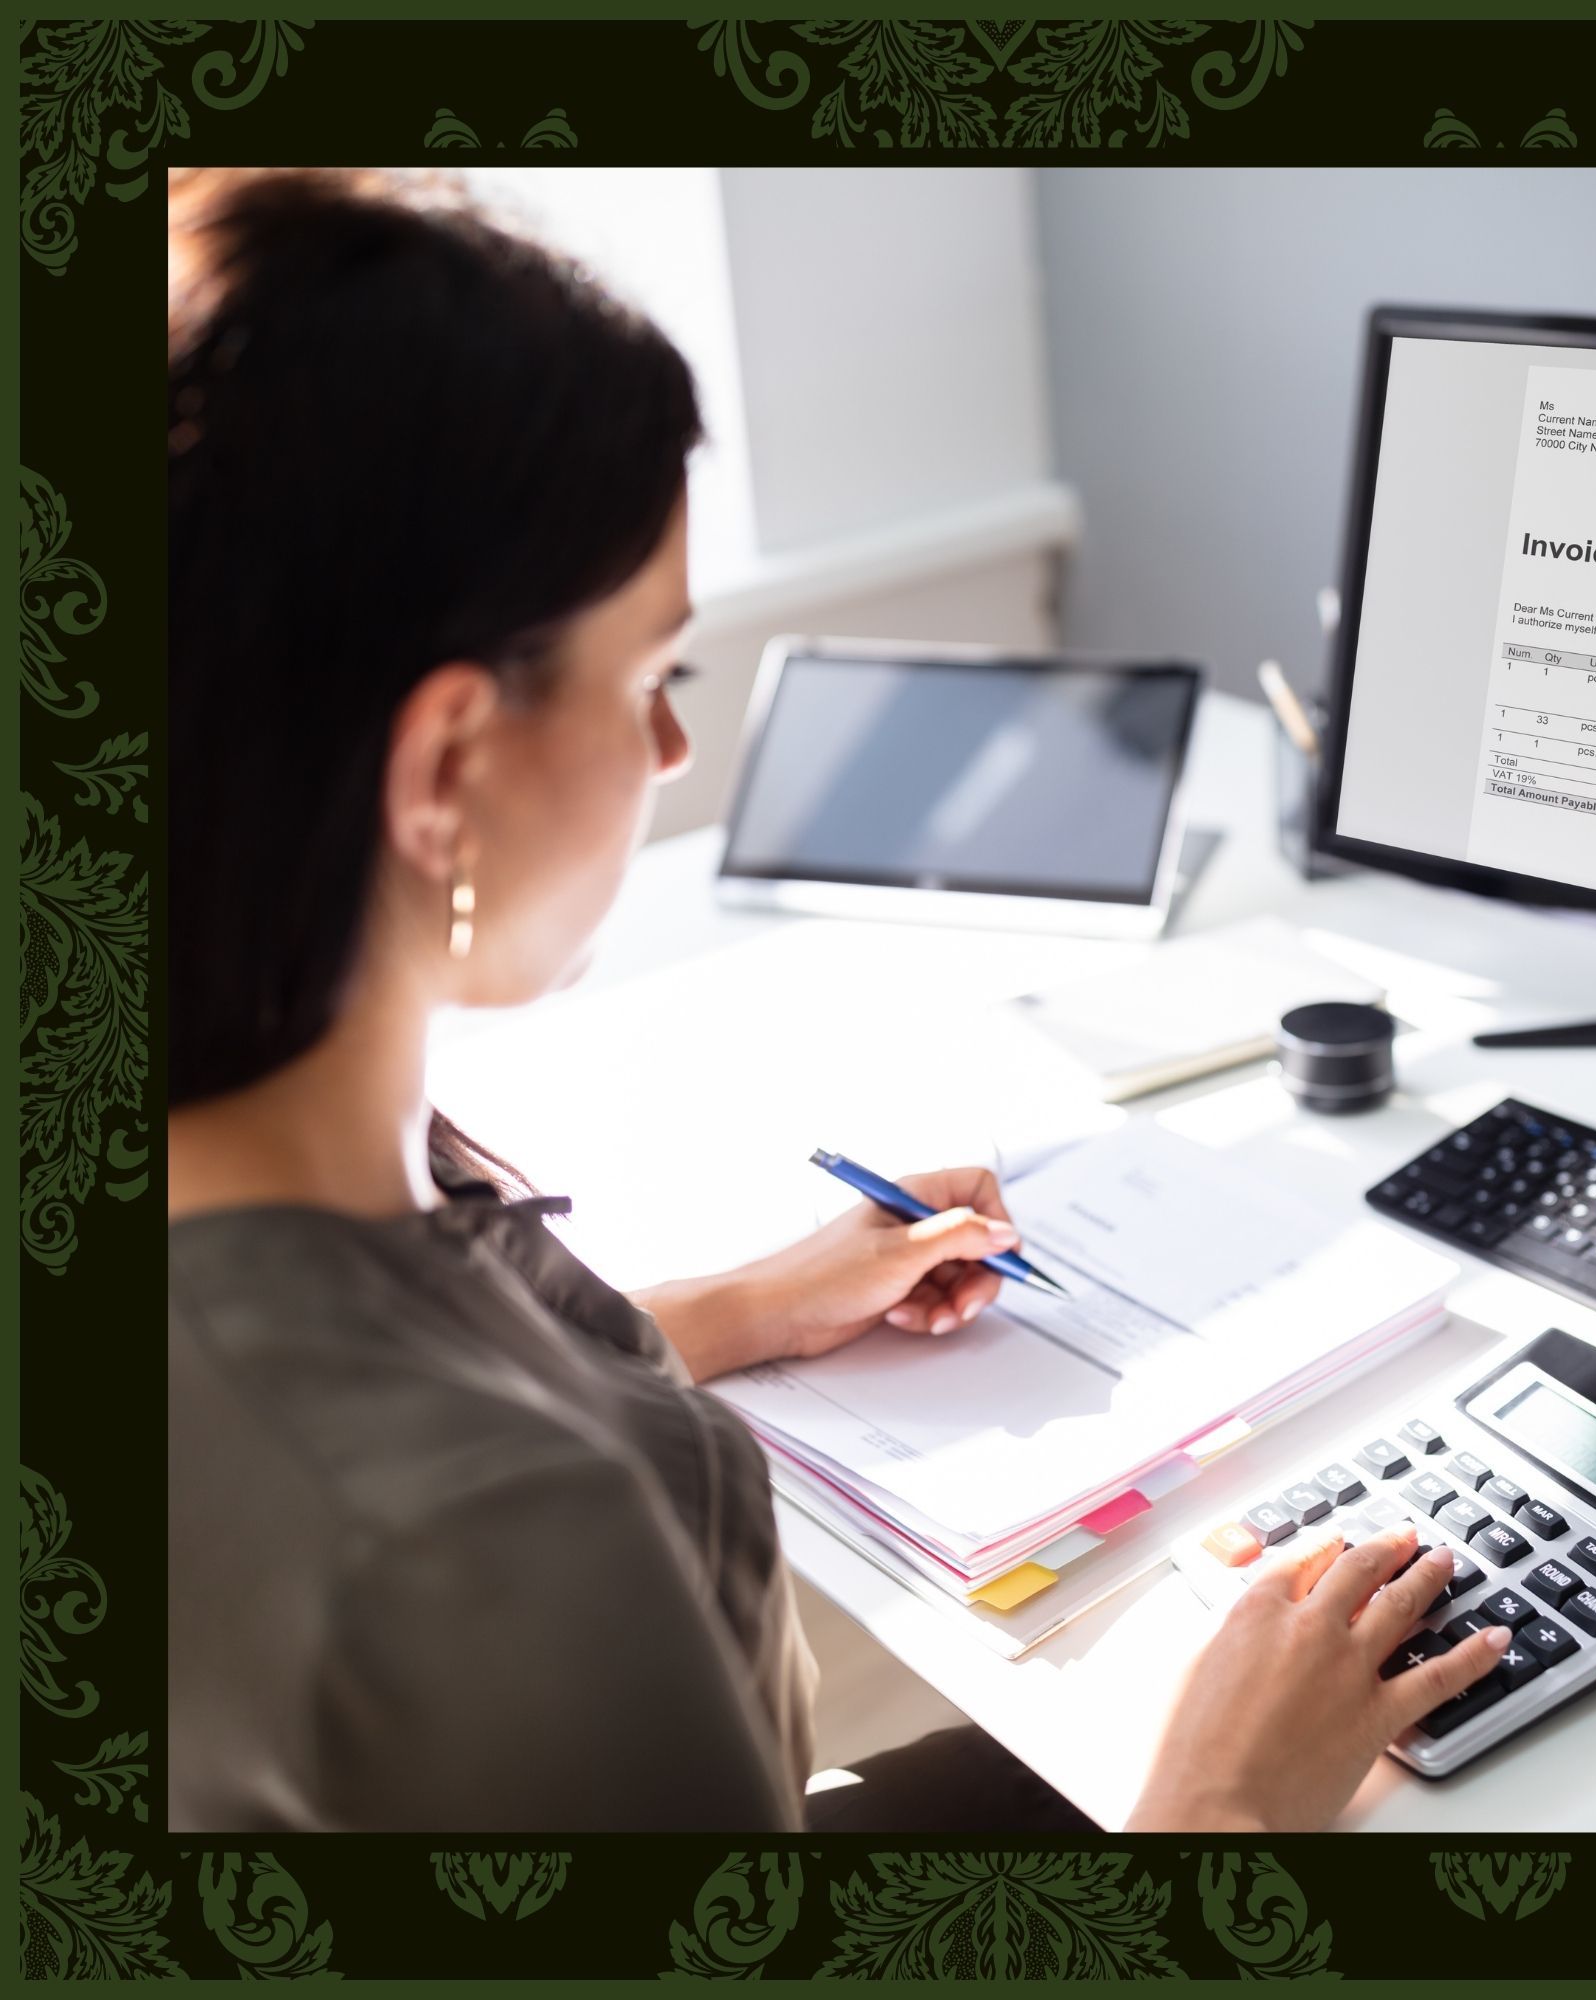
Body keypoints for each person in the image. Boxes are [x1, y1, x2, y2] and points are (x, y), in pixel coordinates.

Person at [166, 166, 1506, 1835]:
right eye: (655, 680)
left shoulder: (293, 1151)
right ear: (444, 763)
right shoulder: (487, 1558)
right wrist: (1219, 1808)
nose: (671, 755)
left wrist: (740, 1307)